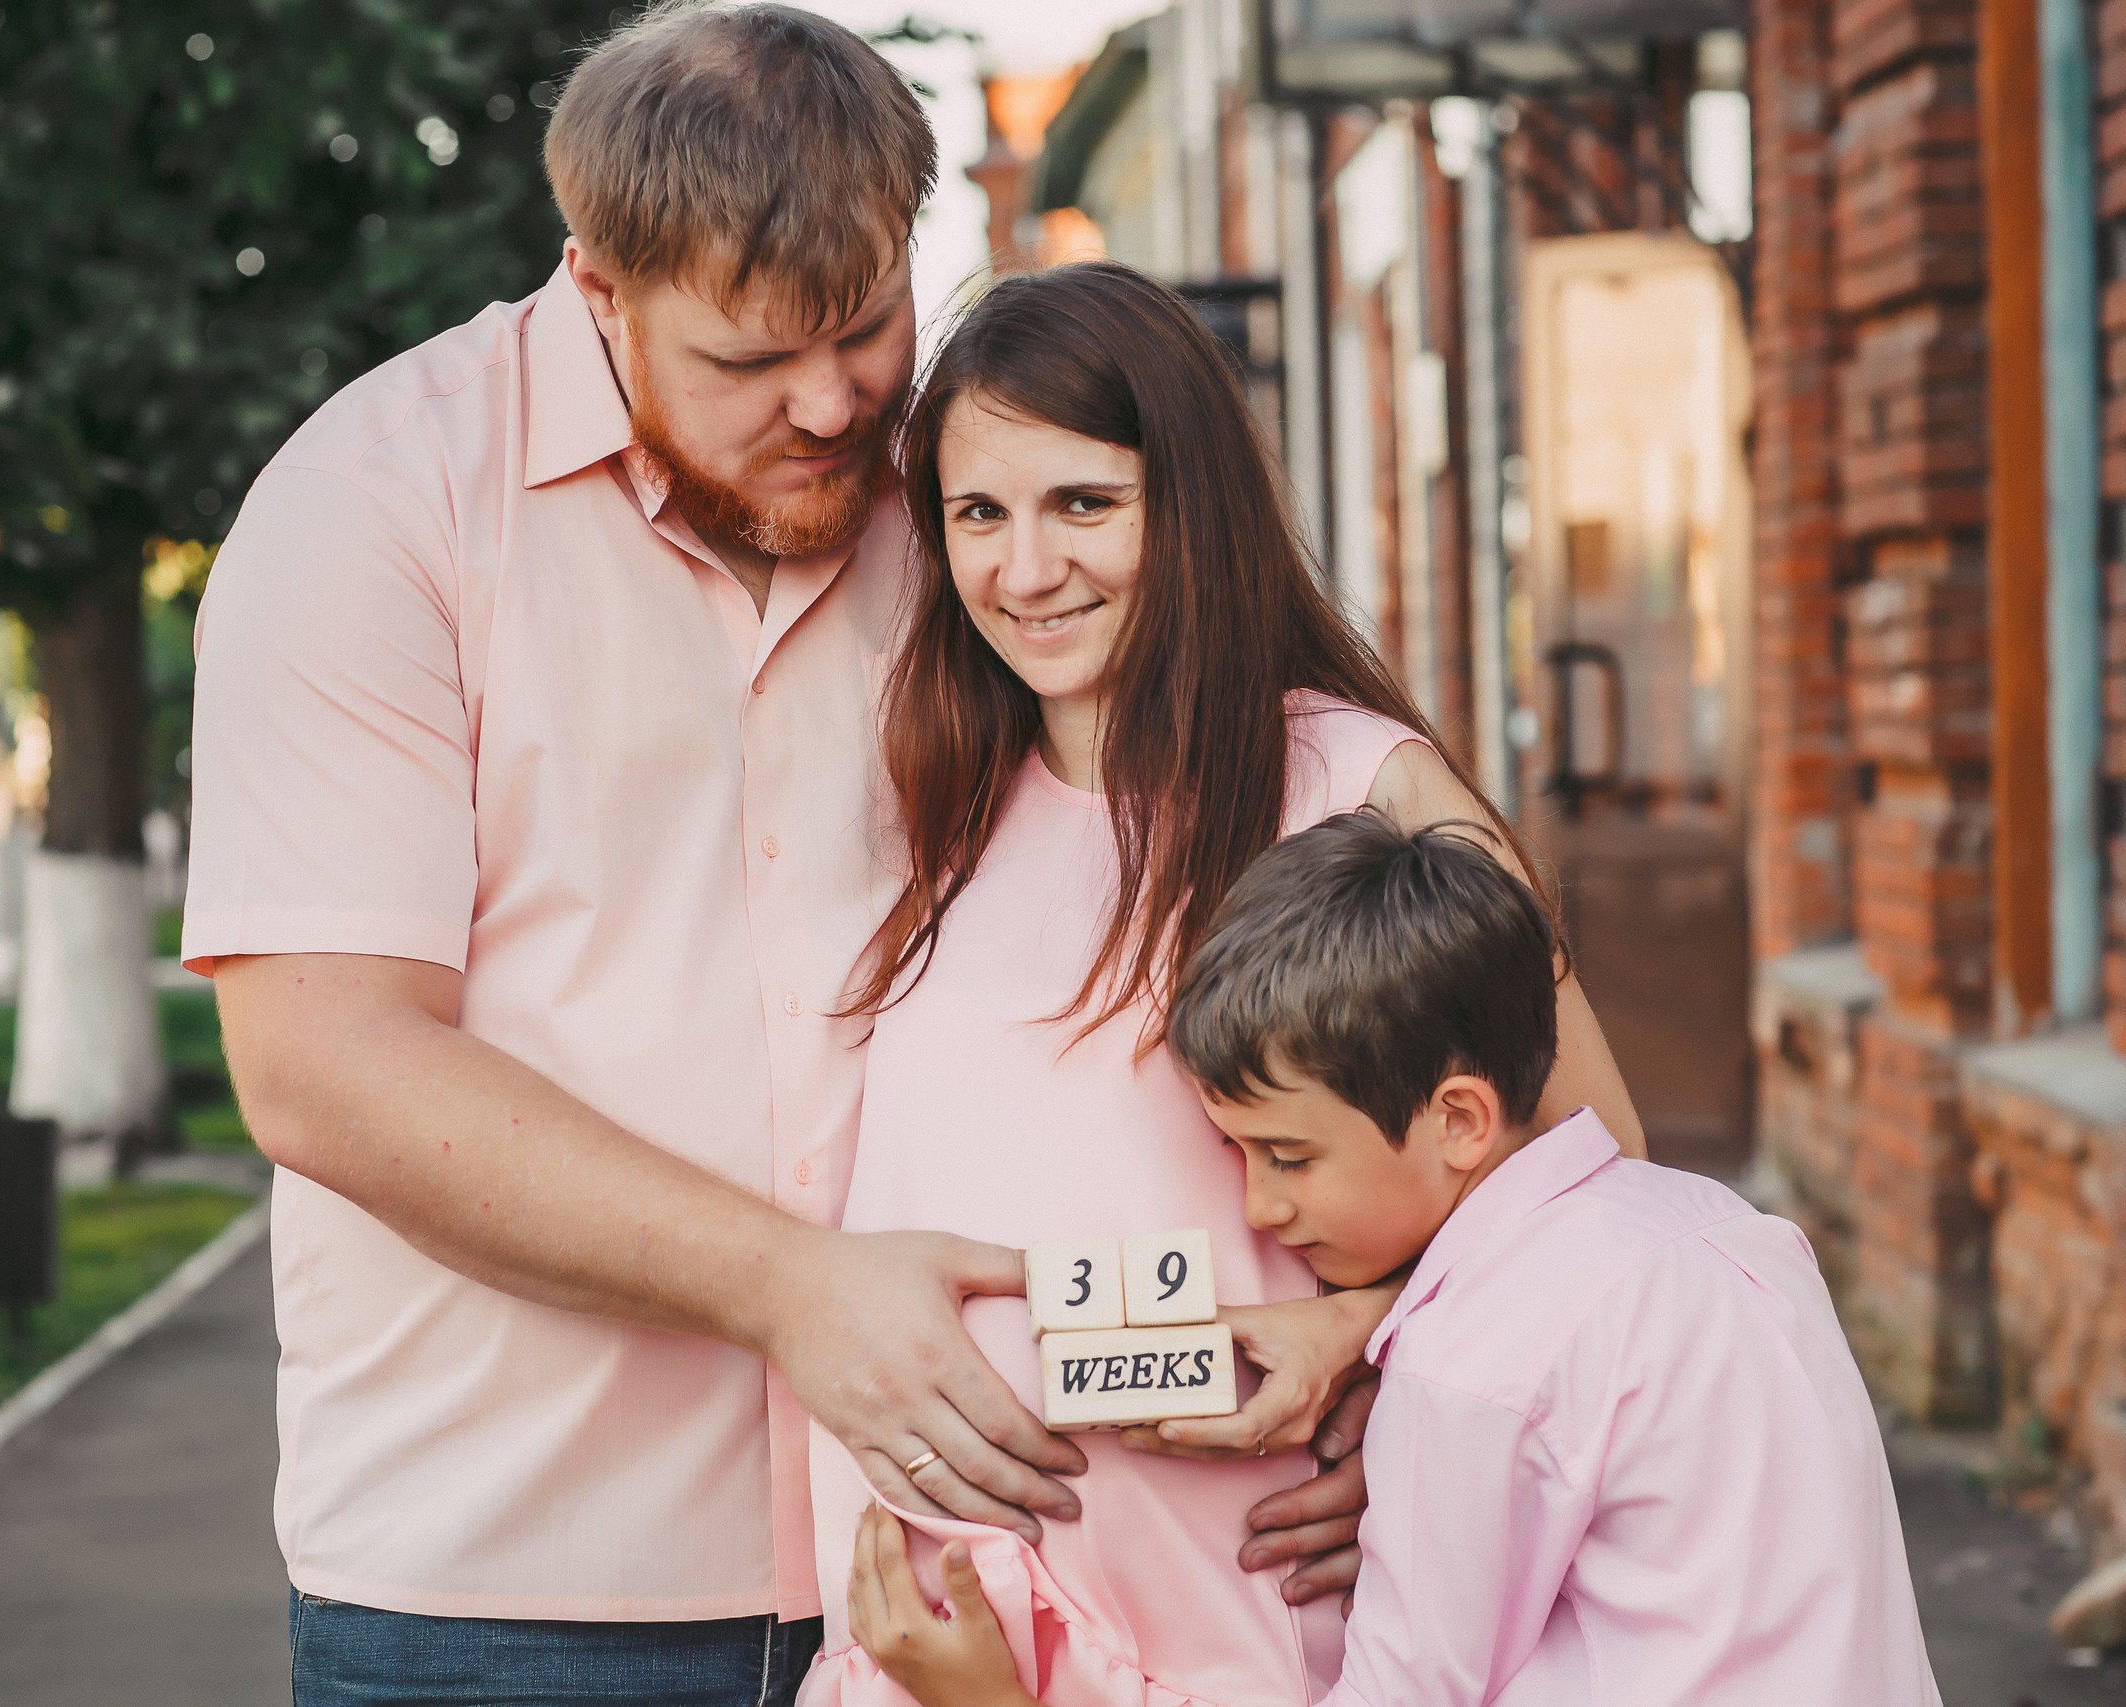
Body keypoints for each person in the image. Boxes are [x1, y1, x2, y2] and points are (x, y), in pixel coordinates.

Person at [183, 9, 1357, 1702]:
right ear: (598, 288)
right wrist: (795, 1290)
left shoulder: (967, 503)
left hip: (996, 1590)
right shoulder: (368, 517)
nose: (829, 405)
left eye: (867, 325)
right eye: (750, 361)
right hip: (510, 1604)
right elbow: (325, 1067)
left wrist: (1384, 1351)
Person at [798, 263, 1643, 1707]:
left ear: (1187, 502)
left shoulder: (1361, 784)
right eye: (977, 513)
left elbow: (1597, 1177)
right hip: (941, 1647)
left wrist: (1355, 1333)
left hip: (1236, 1625)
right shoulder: (932, 790)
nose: (1023, 566)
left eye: (1084, 503)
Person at [847, 813, 1943, 1707]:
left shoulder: (1470, 1365)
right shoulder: (1726, 1234)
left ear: (1459, 1119)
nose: (1261, 1205)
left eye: (1287, 1155)